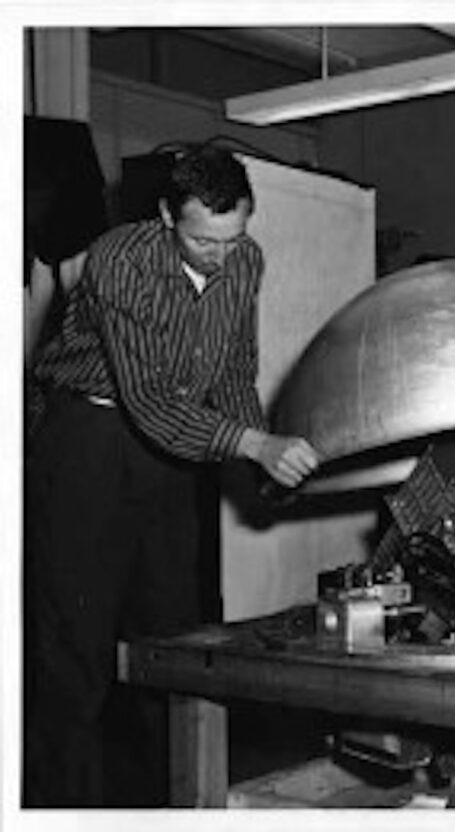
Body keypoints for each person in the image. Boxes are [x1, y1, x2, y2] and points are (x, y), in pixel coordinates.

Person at [23, 144, 320, 806]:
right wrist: (252, 444)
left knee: (173, 644)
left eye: (232, 237)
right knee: (77, 656)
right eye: (202, 241)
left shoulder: (245, 260)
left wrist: (263, 454)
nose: (219, 256)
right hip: (88, 441)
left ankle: (174, 804)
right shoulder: (119, 261)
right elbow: (151, 401)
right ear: (165, 215)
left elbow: (235, 368)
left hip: (169, 453)